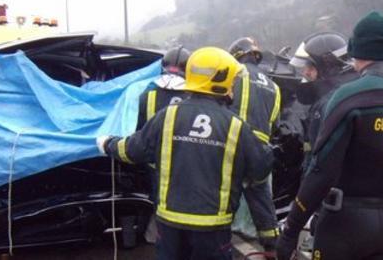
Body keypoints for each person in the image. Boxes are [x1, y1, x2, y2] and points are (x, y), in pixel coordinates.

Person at [275, 11, 383, 260]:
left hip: (343, 226)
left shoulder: (348, 98)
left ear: (357, 51)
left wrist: (290, 230)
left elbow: (321, 172)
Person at [96, 47, 273, 260]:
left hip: (170, 225)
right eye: (232, 80)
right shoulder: (235, 125)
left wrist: (107, 144)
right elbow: (260, 171)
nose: (234, 85)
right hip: (213, 228)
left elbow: (133, 150)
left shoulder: (167, 116)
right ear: (221, 81)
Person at [227, 37, 281, 252]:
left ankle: (224, 236)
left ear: (237, 55)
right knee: (260, 196)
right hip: (261, 148)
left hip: (236, 142)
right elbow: (275, 122)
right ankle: (270, 241)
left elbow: (224, 106)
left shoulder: (235, 74)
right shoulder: (274, 86)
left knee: (226, 192)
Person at [137, 46, 191, 244]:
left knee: (160, 202)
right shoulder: (196, 96)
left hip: (156, 164)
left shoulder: (146, 96)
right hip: (187, 162)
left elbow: (139, 133)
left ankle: (159, 237)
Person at [288, 32, 357, 168]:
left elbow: (320, 161)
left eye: (310, 67)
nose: (305, 73)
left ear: (328, 67)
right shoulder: (350, 91)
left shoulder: (330, 103)